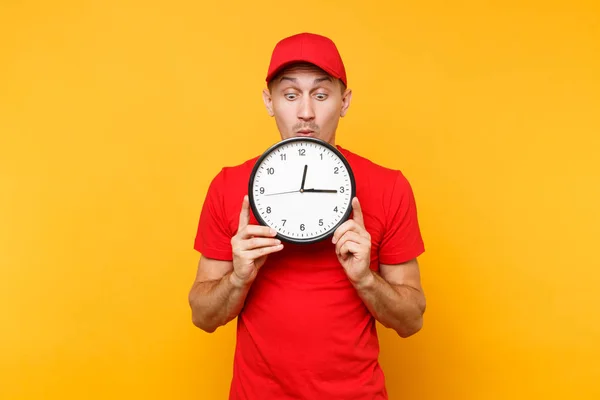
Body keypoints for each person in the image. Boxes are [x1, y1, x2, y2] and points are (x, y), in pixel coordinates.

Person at [189, 32, 426, 400]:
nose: (305, 112)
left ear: (344, 101)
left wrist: (366, 280)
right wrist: (237, 279)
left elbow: (412, 320)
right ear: (269, 102)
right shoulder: (227, 186)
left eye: (320, 94)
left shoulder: (389, 187)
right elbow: (202, 317)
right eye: (289, 95)